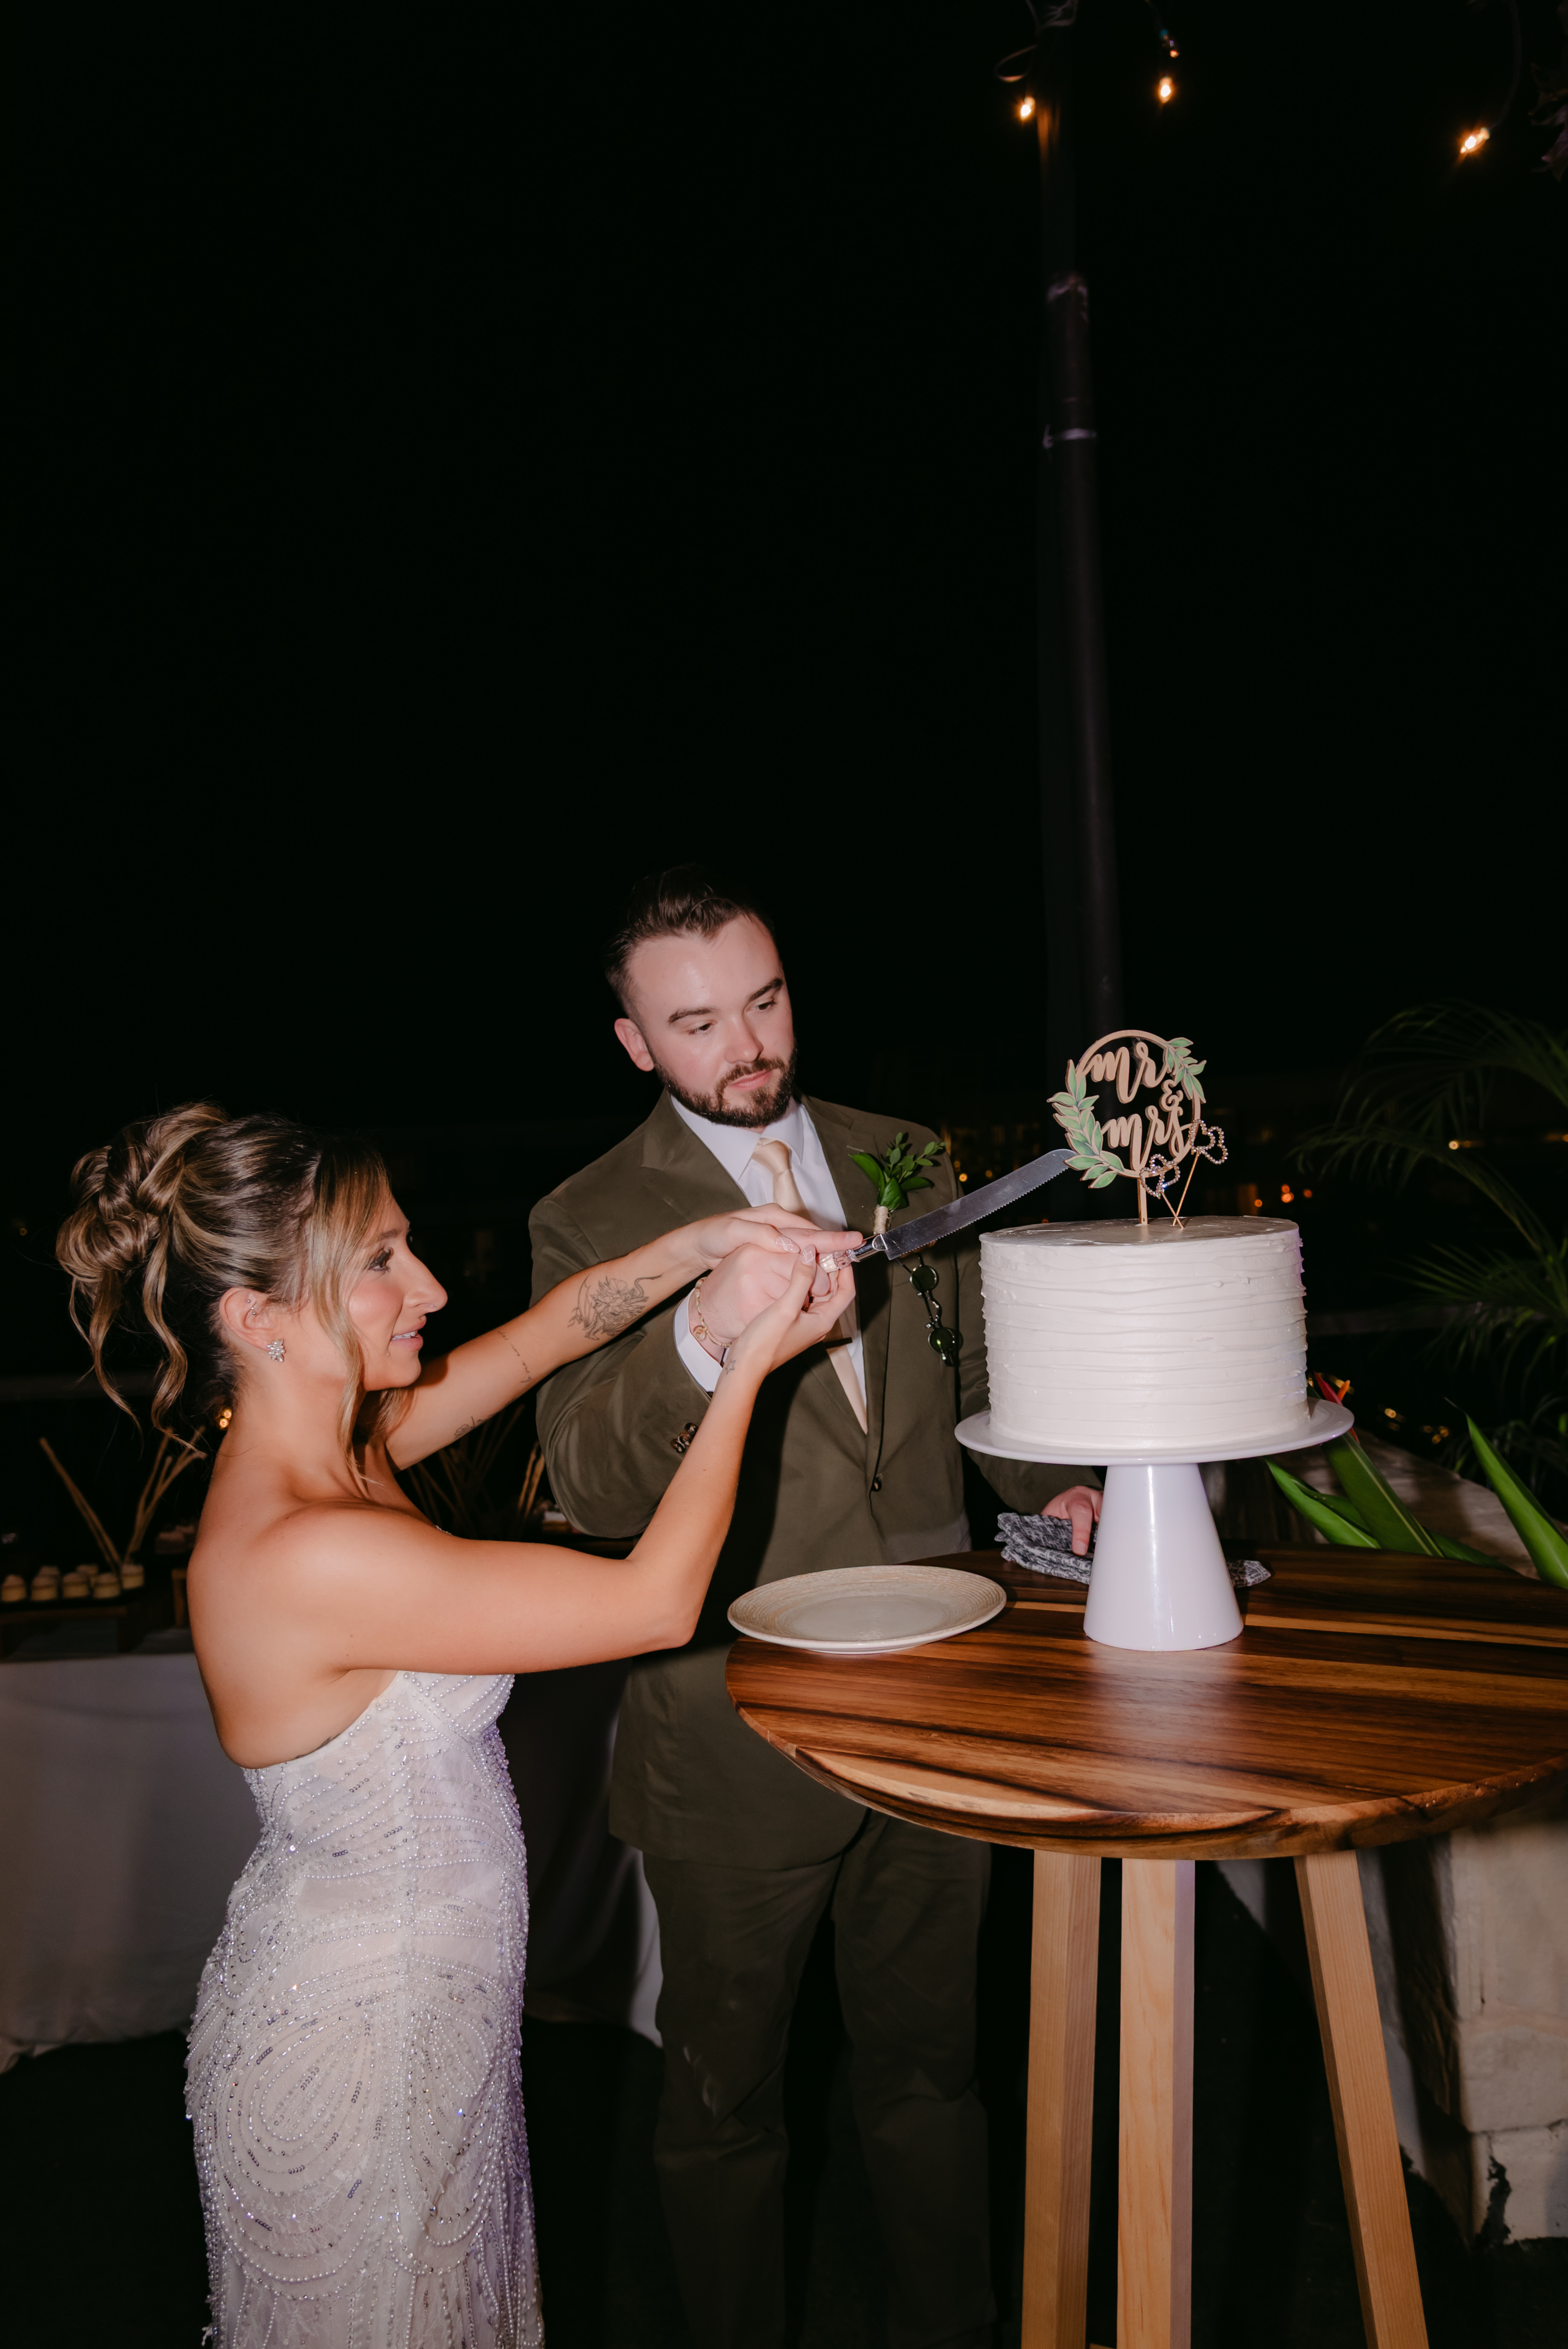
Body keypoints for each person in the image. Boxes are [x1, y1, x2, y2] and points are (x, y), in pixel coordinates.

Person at [56, 1101, 859, 2349]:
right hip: (360, 2050)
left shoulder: (348, 1451)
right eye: (378, 1260)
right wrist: (753, 1362)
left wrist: (696, 1249)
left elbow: (541, 1338)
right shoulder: (309, 1548)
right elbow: (653, 1601)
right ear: (256, 1316)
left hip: (425, 2023)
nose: (426, 1282)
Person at [529, 868, 1102, 2349]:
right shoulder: (586, 1214)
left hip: (936, 1698)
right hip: (726, 1734)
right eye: (699, 1020)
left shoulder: (904, 1156)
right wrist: (708, 1333)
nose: (748, 1043)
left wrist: (1065, 1489)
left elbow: (981, 1386)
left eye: (766, 999)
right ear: (634, 1044)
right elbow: (590, 1479)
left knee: (935, 2072)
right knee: (724, 2101)